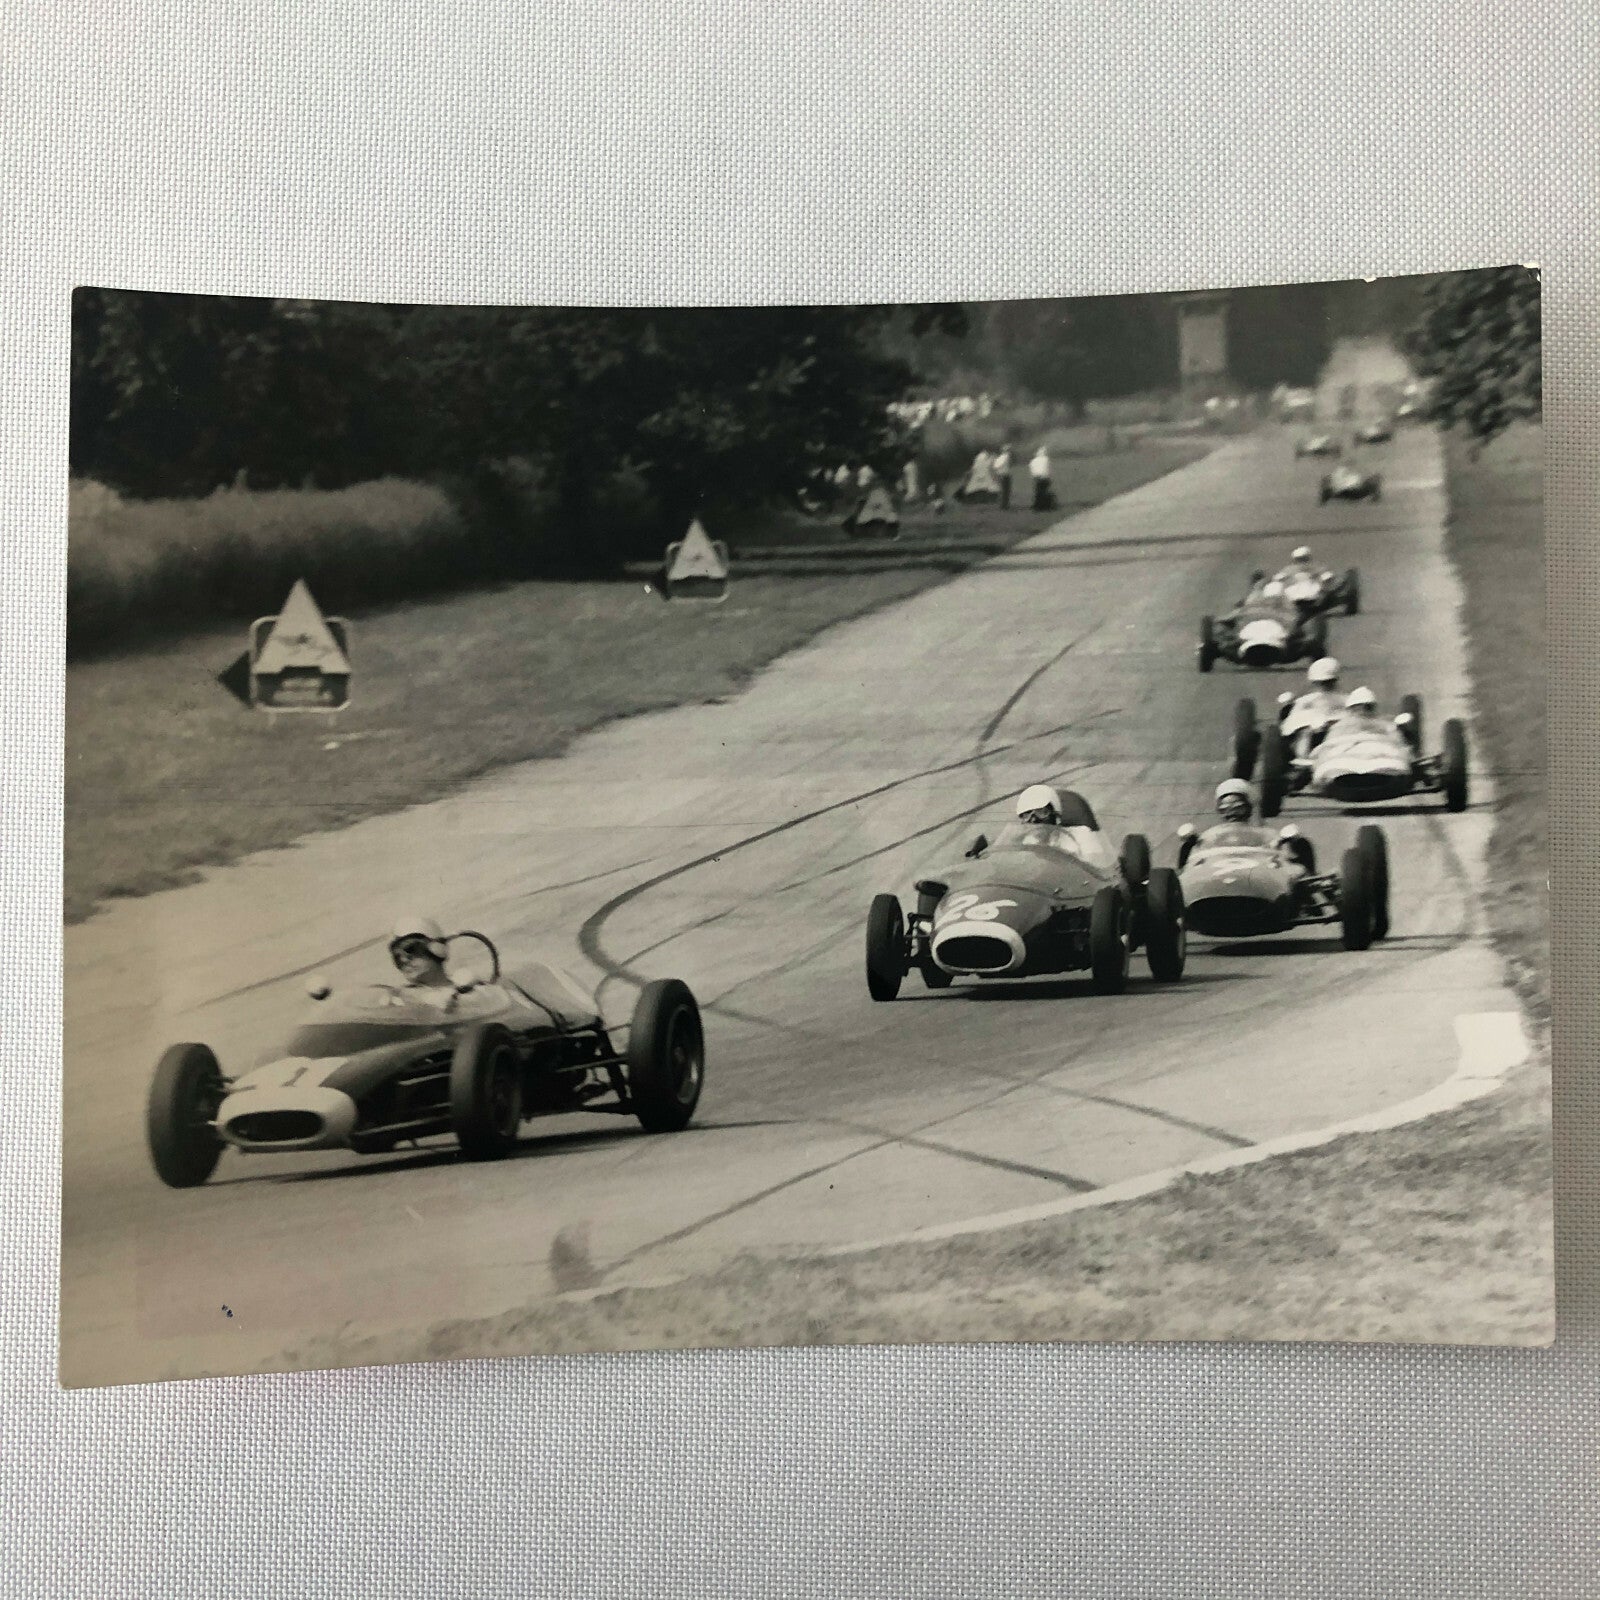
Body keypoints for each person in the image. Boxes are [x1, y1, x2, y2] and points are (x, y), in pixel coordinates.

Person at [387, 914, 463, 1011]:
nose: (403, 960)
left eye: (410, 949)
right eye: (396, 957)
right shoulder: (398, 997)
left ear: (436, 948)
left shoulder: (469, 986)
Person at [1283, 657, 1346, 756]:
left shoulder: (1346, 699)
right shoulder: (1304, 701)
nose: (1324, 685)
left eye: (1327, 682)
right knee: (1305, 733)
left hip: (1338, 735)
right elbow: (1292, 724)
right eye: (1321, 682)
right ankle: (1303, 758)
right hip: (1311, 734)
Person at [1029, 445, 1055, 511]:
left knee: (1038, 492)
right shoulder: (1046, 459)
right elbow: (1048, 469)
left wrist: (1034, 476)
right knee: (1044, 491)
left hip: (1037, 478)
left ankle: (1038, 506)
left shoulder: (1033, 461)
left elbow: (1032, 469)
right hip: (1045, 477)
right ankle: (1045, 506)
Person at [993, 443, 1014, 509]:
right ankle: (1004, 505)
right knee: (1006, 491)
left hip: (1001, 474)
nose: (1010, 451)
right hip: (1005, 475)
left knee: (1003, 491)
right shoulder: (1006, 457)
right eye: (1009, 450)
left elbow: (995, 466)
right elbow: (1008, 464)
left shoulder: (999, 458)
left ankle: (1004, 504)